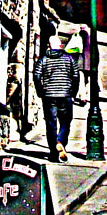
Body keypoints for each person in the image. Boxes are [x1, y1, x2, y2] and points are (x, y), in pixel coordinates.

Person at [33, 33, 81, 162]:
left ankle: (54, 153)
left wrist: (40, 91)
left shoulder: (43, 59)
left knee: (51, 123)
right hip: (65, 94)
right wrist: (73, 92)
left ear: (49, 46)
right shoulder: (69, 58)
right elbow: (76, 76)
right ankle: (60, 141)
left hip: (49, 95)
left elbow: (36, 76)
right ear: (60, 46)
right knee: (66, 121)